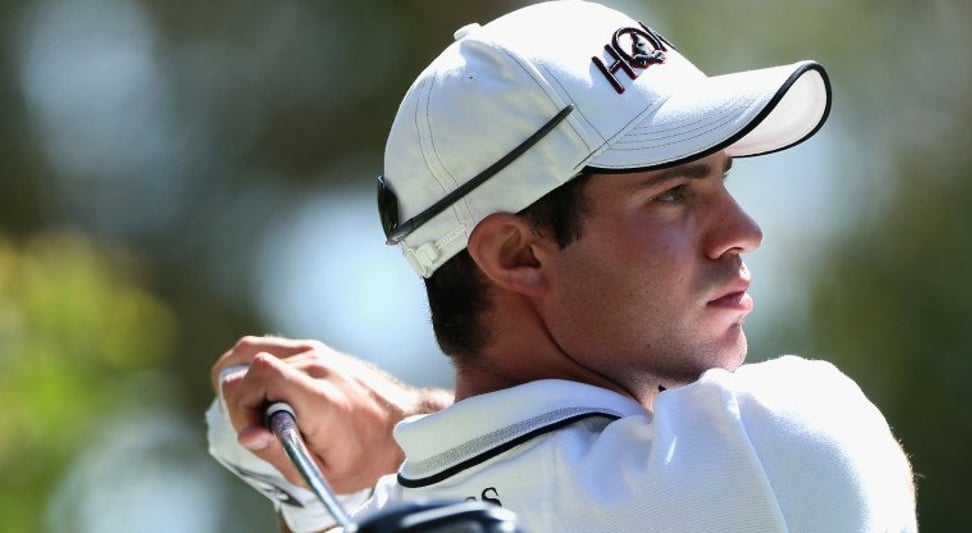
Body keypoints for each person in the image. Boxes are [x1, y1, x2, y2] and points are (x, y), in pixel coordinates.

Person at [207, 1, 918, 531]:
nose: (743, 231)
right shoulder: (786, 452)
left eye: (721, 181)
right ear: (517, 254)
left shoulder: (374, 508)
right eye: (673, 193)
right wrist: (401, 422)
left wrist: (410, 437)